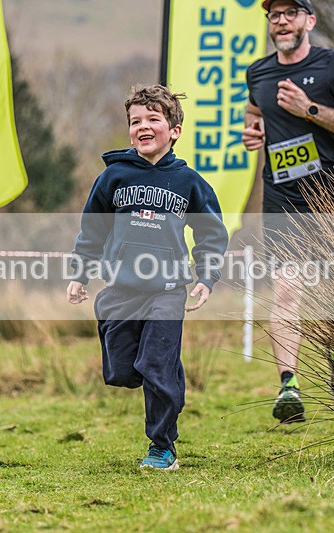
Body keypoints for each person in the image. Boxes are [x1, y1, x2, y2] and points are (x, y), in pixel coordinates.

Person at [67, 84, 229, 470]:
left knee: (156, 366)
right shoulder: (113, 178)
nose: (143, 126)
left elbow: (211, 233)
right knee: (124, 371)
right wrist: (80, 273)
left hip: (168, 290)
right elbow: (92, 231)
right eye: (135, 121)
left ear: (173, 130)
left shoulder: (189, 182)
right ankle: (162, 367)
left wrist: (206, 276)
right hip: (120, 289)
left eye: (153, 119)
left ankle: (162, 446)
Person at [242, 0, 334, 422]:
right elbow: (254, 110)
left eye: (290, 13)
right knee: (285, 290)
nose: (281, 21)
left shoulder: (333, 65)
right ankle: (288, 387)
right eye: (274, 15)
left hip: (328, 194)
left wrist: (309, 109)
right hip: (280, 196)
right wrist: (253, 129)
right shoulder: (258, 72)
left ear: (308, 21)